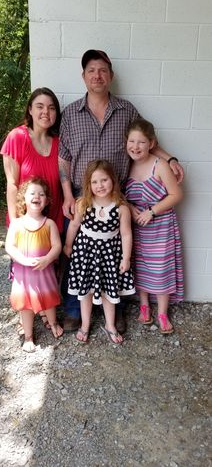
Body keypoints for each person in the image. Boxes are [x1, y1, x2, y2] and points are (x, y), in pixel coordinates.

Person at [59, 49, 184, 333]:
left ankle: (116, 308)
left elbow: (147, 141)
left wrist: (170, 159)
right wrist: (68, 193)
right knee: (79, 254)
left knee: (116, 254)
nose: (97, 75)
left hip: (117, 196)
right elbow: (63, 156)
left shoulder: (126, 111)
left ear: (111, 76)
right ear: (83, 76)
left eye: (103, 70)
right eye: (91, 70)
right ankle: (74, 311)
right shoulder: (70, 115)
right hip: (82, 194)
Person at [0, 87, 63, 332]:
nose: (45, 112)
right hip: (24, 221)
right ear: (30, 109)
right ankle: (25, 314)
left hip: (51, 219)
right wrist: (16, 222)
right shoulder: (17, 137)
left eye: (51, 107)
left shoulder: (58, 143)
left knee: (47, 269)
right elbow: (12, 184)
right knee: (23, 270)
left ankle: (47, 311)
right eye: (40, 106)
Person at [63, 159, 135, 344]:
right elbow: (73, 225)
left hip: (109, 256)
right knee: (85, 291)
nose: (100, 185)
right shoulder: (83, 203)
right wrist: (68, 245)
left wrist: (126, 258)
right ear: (88, 184)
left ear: (112, 180)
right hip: (85, 254)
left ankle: (110, 325)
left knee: (109, 293)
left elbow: (126, 235)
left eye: (104, 180)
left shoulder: (121, 207)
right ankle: (85, 325)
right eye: (94, 182)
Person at [125, 118, 184, 334]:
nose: (135, 147)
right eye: (132, 141)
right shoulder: (127, 165)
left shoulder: (160, 165)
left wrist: (152, 212)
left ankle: (162, 312)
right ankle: (144, 306)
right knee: (139, 266)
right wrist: (130, 208)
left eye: (141, 142)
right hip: (137, 227)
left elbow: (176, 194)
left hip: (160, 226)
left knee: (161, 269)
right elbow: (120, 195)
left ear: (151, 143)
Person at [5, 177, 63, 352]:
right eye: (32, 193)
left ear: (46, 201)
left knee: (49, 300)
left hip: (44, 272)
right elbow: (9, 246)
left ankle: (53, 323)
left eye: (41, 194)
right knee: (26, 306)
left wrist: (47, 259)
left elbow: (57, 246)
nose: (37, 196)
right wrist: (21, 259)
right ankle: (28, 336)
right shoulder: (16, 224)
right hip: (24, 276)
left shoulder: (49, 224)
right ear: (23, 198)